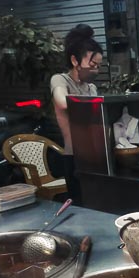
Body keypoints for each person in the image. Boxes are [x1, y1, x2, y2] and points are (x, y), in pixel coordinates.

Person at [50, 24, 103, 205]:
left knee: (98, 203)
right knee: (80, 205)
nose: (96, 69)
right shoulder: (60, 80)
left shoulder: (91, 87)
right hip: (74, 156)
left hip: (95, 155)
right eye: (92, 64)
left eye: (98, 66)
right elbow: (62, 101)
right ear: (75, 61)